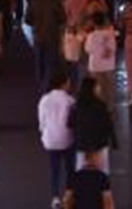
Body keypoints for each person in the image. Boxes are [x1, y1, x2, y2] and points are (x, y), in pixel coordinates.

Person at [38, 69, 79, 206]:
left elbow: (41, 121)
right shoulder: (70, 100)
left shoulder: (44, 99)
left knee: (54, 169)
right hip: (67, 139)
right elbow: (73, 122)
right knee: (70, 169)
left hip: (50, 140)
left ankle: (55, 197)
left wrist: (44, 133)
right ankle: (69, 196)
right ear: (64, 83)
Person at [71, 75, 115, 173]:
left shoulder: (77, 105)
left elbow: (70, 123)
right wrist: (114, 141)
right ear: (93, 89)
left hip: (82, 144)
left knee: (81, 171)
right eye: (97, 87)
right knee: (102, 171)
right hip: (99, 143)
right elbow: (108, 124)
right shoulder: (101, 105)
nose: (99, 89)